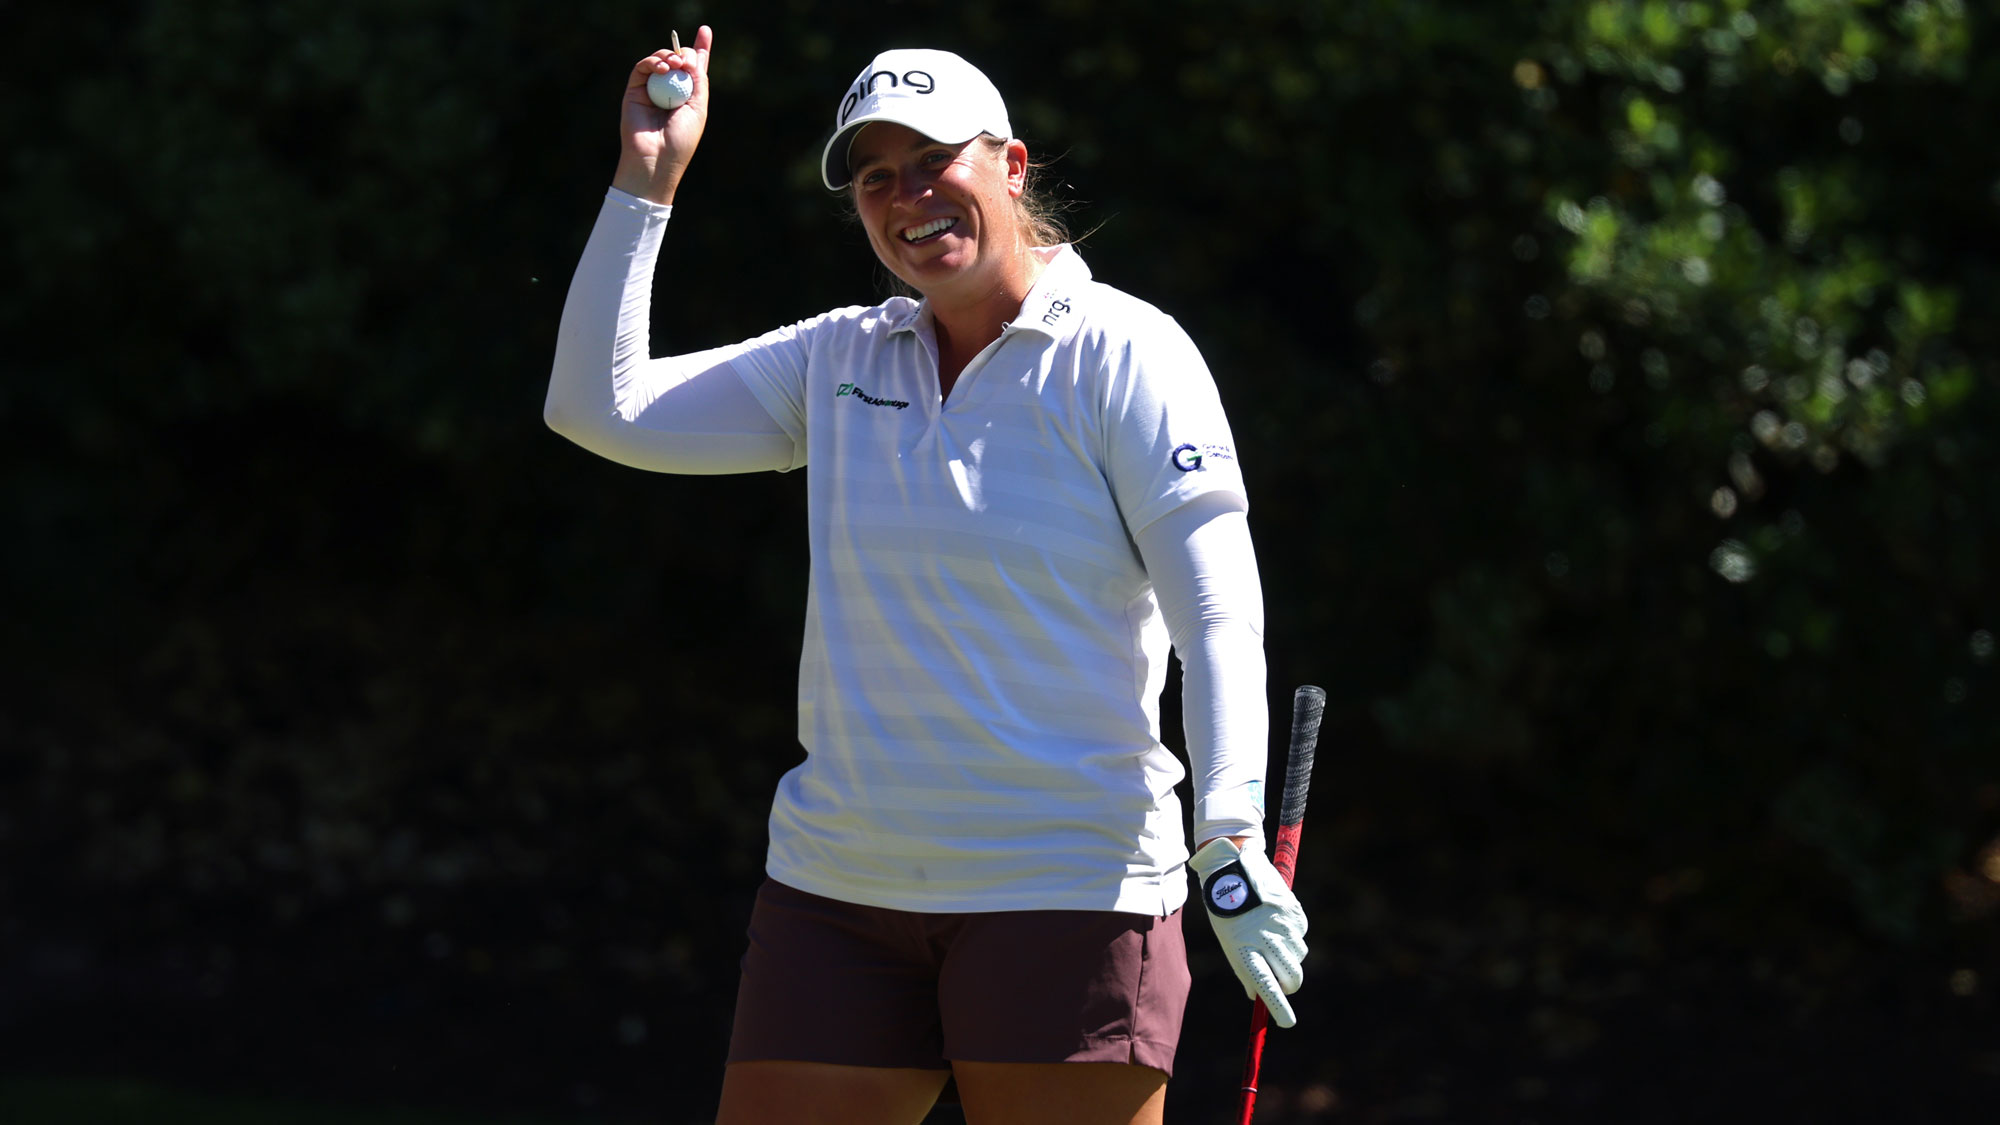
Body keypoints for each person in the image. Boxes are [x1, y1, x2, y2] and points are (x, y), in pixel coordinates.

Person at [544, 26, 1307, 1125]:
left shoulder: (1127, 353)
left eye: (933, 159)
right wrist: (646, 179)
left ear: (1011, 164)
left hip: (1067, 891)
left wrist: (1227, 835)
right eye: (874, 177)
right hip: (839, 892)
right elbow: (597, 409)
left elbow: (1217, 615)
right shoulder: (840, 356)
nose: (907, 196)